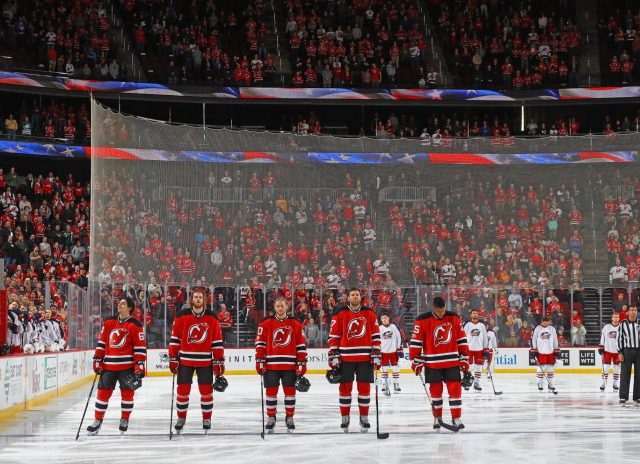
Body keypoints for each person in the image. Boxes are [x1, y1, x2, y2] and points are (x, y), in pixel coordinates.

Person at [88, 298, 147, 435]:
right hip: (109, 366)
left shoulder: (135, 325)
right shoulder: (109, 322)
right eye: (119, 303)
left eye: (123, 303)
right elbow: (102, 342)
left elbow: (140, 347)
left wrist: (139, 364)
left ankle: (124, 419)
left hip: (128, 367)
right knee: (102, 394)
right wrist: (97, 358)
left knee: (127, 394)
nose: (119, 305)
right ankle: (97, 420)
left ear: (130, 308)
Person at [169, 290, 225, 432]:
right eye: (196, 297)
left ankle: (207, 418)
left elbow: (217, 342)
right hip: (185, 361)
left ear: (204, 300)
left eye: (200, 297)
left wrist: (219, 361)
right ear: (191, 299)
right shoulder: (182, 316)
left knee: (206, 392)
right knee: (182, 392)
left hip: (205, 362)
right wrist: (173, 358)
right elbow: (175, 339)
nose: (198, 299)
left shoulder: (212, 318)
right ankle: (181, 418)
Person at [409, 296, 469, 430]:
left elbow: (461, 337)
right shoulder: (422, 320)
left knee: (455, 391)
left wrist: (464, 357)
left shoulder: (454, 317)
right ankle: (437, 418)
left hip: (452, 362)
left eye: (443, 311)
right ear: (433, 309)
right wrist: (416, 360)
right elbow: (416, 341)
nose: (441, 314)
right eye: (439, 311)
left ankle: (456, 418)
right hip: (432, 363)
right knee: (435, 392)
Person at [328, 287, 381, 432]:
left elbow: (375, 334)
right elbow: (334, 335)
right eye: (352, 295)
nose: (355, 297)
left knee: (364, 389)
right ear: (348, 297)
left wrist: (376, 351)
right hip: (345, 357)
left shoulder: (369, 313)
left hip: (365, 357)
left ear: (360, 297)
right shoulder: (340, 313)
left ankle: (364, 417)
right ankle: (345, 417)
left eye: (357, 294)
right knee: (345, 389)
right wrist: (334, 352)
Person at [255, 297, 308, 433]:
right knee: (271, 393)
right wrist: (260, 360)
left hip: (290, 366)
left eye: (282, 306)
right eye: (277, 306)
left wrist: (301, 363)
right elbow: (260, 344)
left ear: (287, 307)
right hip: (271, 365)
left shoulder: (295, 323)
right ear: (275, 307)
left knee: (290, 393)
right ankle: (271, 417)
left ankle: (289, 417)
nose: (279, 308)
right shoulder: (266, 323)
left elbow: (301, 345)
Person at [617, 306, 640, 406]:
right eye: (632, 310)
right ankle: (623, 396)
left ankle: (638, 397)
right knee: (625, 374)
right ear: (628, 312)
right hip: (627, 351)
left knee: (639, 375)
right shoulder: (622, 323)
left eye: (635, 310)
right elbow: (619, 338)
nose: (633, 312)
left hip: (639, 351)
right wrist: (620, 352)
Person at [531, 316, 559, 392]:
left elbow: (555, 339)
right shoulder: (537, 328)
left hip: (550, 352)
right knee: (540, 370)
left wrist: (556, 349)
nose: (545, 322)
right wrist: (534, 349)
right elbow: (534, 339)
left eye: (547, 321)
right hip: (541, 352)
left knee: (551, 370)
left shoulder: (552, 329)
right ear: (541, 321)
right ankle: (540, 384)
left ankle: (551, 384)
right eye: (544, 321)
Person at [378, 313, 404, 395]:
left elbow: (399, 336)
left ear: (389, 318)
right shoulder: (379, 328)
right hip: (383, 352)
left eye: (385, 317)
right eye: (382, 318)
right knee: (384, 369)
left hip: (393, 351)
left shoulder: (393, 326)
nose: (384, 319)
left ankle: (396, 384)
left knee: (395, 368)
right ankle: (384, 384)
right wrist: (377, 350)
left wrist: (399, 348)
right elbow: (377, 340)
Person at [463, 309, 488, 391]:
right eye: (473, 313)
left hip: (479, 349)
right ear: (471, 315)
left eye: (476, 313)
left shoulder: (482, 325)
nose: (475, 315)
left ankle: (476, 384)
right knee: (468, 367)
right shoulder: (467, 325)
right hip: (469, 349)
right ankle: (467, 382)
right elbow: (463, 336)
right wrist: (463, 348)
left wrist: (485, 348)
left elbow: (485, 337)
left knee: (478, 367)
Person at [599, 312, 621, 391]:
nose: (616, 318)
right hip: (607, 351)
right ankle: (603, 383)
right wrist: (601, 347)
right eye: (614, 317)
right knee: (605, 368)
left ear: (619, 318)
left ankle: (615, 384)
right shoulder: (606, 327)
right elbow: (603, 338)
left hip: (617, 352)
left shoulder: (621, 327)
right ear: (612, 318)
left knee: (616, 369)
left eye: (617, 317)